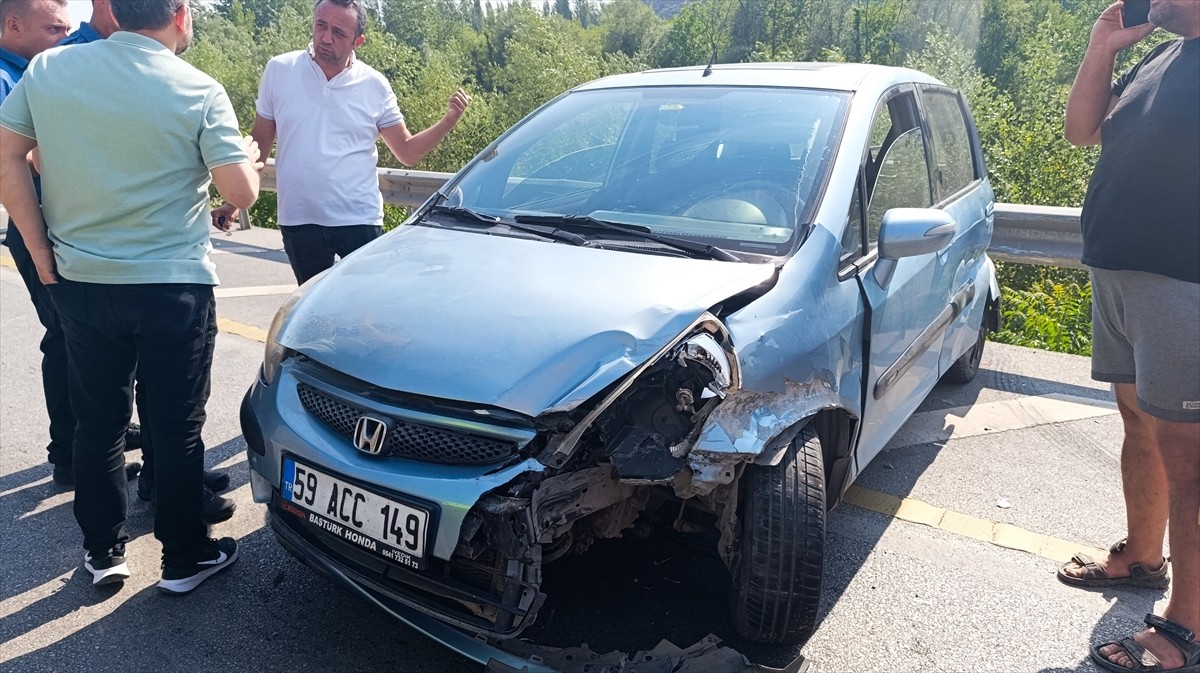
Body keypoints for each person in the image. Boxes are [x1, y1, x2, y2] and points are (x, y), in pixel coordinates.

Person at [0, 0, 261, 592]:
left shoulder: (50, 70)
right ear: (181, 14)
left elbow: (9, 154)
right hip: (173, 285)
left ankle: (103, 552)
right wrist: (244, 157)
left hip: (82, 280)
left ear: (114, 11)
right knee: (175, 425)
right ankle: (184, 557)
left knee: (98, 423)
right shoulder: (198, 89)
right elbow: (241, 192)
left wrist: (40, 250)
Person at [1060, 1, 1200, 671]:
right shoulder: (1161, 56)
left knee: (1190, 453)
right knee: (1139, 421)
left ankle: (1188, 623)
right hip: (1119, 274)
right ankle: (1144, 558)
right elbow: (1081, 130)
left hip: (1183, 282)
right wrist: (1101, 48)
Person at [211, 0, 471, 285]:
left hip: (359, 220)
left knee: (359, 306)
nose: (326, 37)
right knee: (312, 306)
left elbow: (407, 152)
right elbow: (259, 144)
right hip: (299, 219)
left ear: (358, 41)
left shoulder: (374, 84)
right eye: (321, 26)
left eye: (338, 32)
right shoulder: (280, 70)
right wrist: (235, 200)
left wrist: (448, 121)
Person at [1, 0, 76, 484]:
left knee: (74, 336)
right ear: (13, 25)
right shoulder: (7, 80)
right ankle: (69, 454)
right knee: (67, 339)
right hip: (35, 226)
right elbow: (16, 161)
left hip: (50, 223)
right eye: (53, 29)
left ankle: (88, 436)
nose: (63, 40)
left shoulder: (32, 72)